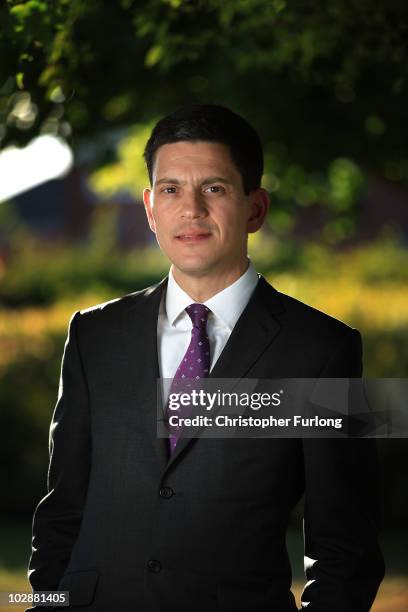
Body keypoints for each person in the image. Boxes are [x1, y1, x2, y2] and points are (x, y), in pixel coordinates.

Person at [27, 104, 384, 611]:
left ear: (255, 207)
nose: (190, 209)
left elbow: (345, 546)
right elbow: (63, 512)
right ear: (151, 208)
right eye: (171, 189)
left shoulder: (321, 349)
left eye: (213, 188)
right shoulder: (94, 335)